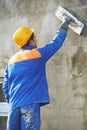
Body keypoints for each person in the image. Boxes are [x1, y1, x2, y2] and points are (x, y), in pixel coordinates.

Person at [3, 16, 72, 130]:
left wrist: (13, 102)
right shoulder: (37, 54)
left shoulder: (11, 61)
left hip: (13, 106)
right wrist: (65, 24)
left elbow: (6, 87)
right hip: (29, 105)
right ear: (30, 40)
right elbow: (55, 43)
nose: (36, 39)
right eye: (34, 37)